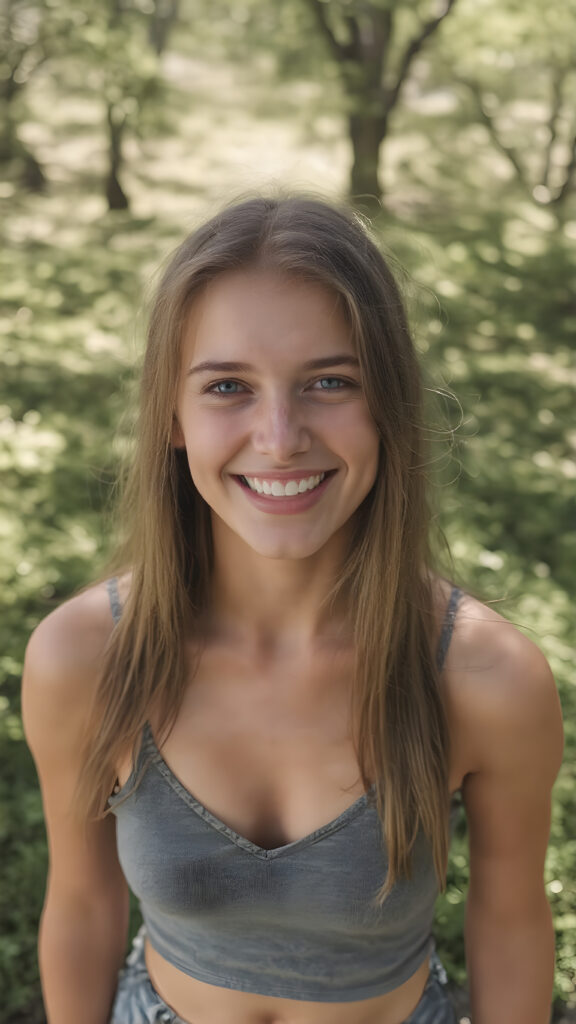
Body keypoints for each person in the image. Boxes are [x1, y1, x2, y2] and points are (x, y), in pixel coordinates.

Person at [22, 195, 563, 1024]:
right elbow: (84, 905)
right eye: (228, 386)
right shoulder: (85, 658)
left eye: (329, 383)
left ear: (388, 402)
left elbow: (512, 924)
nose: (279, 437)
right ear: (172, 415)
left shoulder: (485, 677)